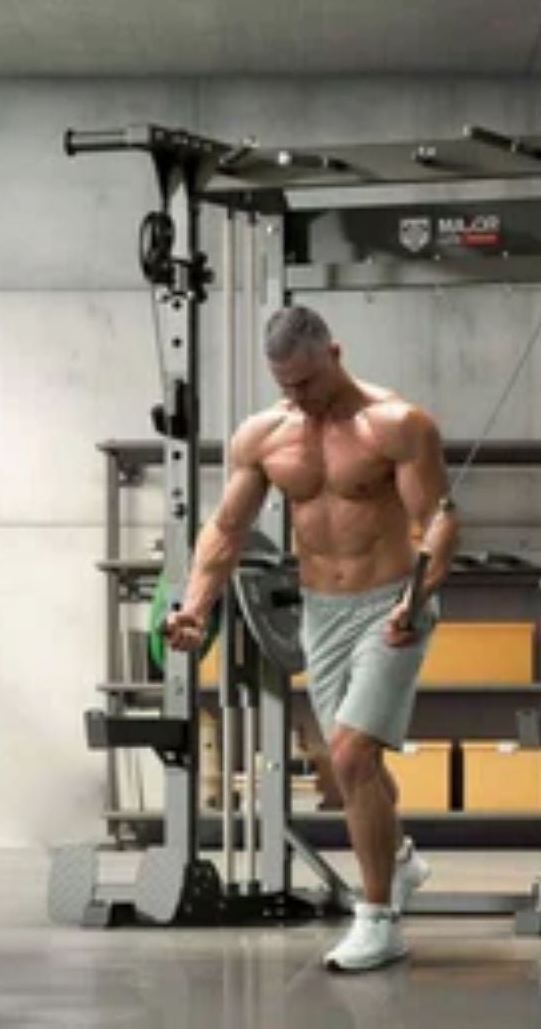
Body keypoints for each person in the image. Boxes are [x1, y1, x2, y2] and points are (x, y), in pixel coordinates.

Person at [163, 304, 457, 972]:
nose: (298, 396)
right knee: (352, 763)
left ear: (336, 353)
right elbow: (227, 530)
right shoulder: (265, 435)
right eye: (285, 384)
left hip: (392, 606)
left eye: (307, 381)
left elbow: (438, 523)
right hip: (321, 613)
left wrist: (418, 595)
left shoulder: (398, 425)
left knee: (351, 757)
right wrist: (194, 607)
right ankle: (400, 862)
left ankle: (377, 920)